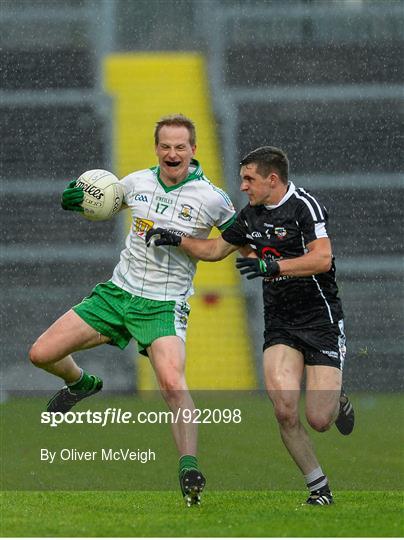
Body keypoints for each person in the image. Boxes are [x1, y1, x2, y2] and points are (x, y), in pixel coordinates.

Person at [29, 113, 240, 506]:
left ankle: (189, 468)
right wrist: (74, 199)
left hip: (163, 304)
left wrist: (188, 244)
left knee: (173, 384)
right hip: (117, 293)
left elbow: (234, 242)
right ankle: (81, 383)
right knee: (40, 354)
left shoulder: (212, 198)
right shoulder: (135, 182)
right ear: (156, 148)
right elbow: (102, 200)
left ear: (194, 150)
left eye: (180, 147)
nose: (172, 153)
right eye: (165, 146)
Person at [146, 145, 355, 505]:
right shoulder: (251, 216)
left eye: (249, 179)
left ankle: (337, 401)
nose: (243, 186)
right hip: (280, 325)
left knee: (320, 419)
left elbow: (322, 259)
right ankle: (318, 488)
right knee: (283, 409)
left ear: (272, 179)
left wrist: (273, 267)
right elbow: (215, 250)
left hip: (320, 322)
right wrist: (177, 239)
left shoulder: (304, 206)